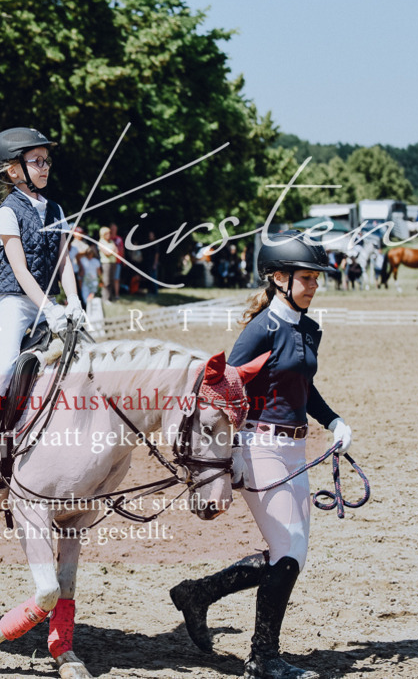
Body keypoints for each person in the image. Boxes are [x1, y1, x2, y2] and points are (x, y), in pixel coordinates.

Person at [170, 230, 354, 679]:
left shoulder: (309, 328)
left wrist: (332, 421)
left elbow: (302, 389)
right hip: (260, 446)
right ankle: (262, 657)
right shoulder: (260, 330)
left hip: (296, 448)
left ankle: (199, 593)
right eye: (306, 278)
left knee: (289, 554)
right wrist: (225, 453)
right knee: (287, 552)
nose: (313, 286)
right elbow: (223, 391)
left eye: (316, 278)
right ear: (277, 278)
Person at [0, 127, 81, 486]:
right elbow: (19, 268)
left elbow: (64, 262)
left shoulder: (57, 209)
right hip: (16, 301)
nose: (45, 167)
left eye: (47, 160)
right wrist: (48, 308)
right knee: (3, 368)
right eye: (36, 161)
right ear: (13, 170)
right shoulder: (7, 211)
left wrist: (74, 301)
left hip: (50, 302)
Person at [97, 226, 118, 302]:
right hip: (106, 263)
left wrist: (111, 251)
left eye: (109, 233)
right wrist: (112, 250)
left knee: (111, 281)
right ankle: (105, 298)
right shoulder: (101, 242)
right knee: (106, 281)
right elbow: (107, 253)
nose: (109, 235)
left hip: (113, 262)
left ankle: (110, 298)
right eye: (107, 233)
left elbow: (117, 251)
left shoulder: (111, 242)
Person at [109, 223, 124, 299]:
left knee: (116, 279)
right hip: (109, 262)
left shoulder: (119, 239)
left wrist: (123, 260)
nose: (113, 230)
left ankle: (117, 295)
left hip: (117, 262)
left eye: (115, 229)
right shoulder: (108, 239)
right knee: (109, 279)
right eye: (112, 229)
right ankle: (110, 294)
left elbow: (122, 249)